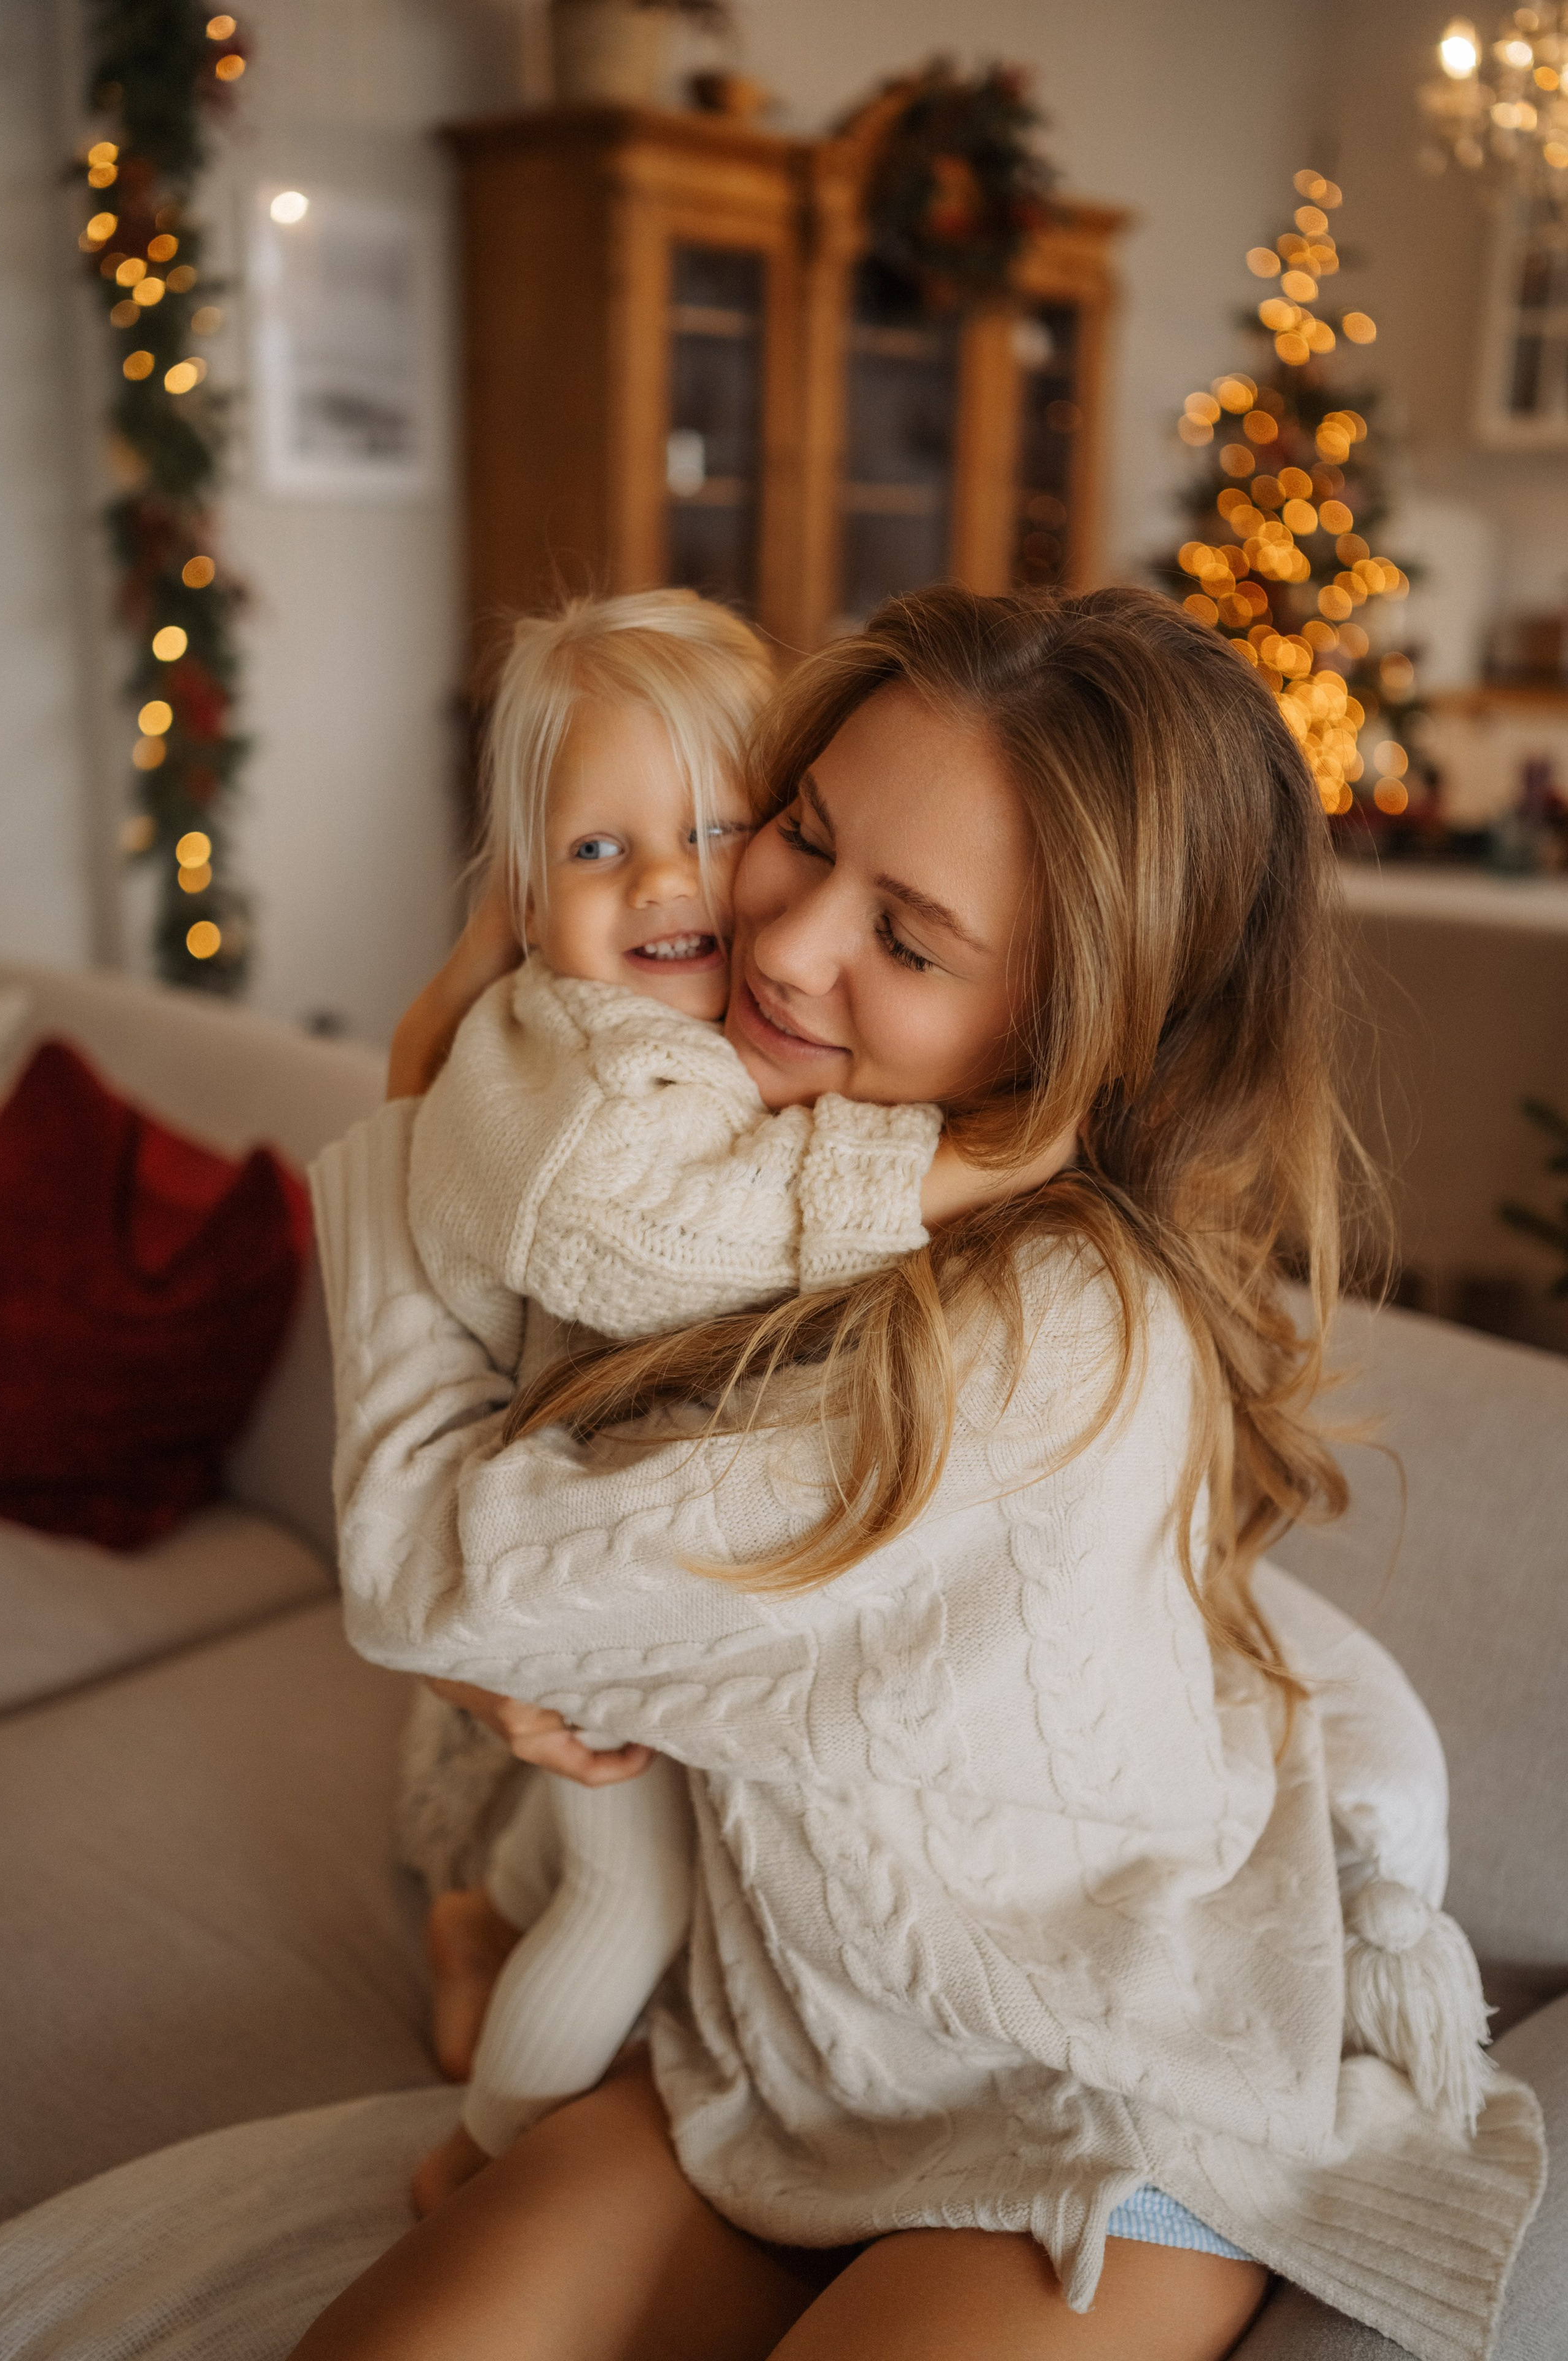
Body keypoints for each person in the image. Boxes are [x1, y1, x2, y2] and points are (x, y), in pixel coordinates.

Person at [300, 587, 1544, 2361]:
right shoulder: (749, 1177)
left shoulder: (1052, 1334)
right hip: (777, 2052)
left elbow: (434, 1570)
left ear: (1076, 1033)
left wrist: (418, 1117)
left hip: (1094, 2097)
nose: (784, 945)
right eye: (795, 833)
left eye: (910, 933)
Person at [401, 586, 1014, 2214]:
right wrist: (978, 1159)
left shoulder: (674, 1030)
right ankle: (479, 2159)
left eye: (722, 825)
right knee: (629, 1906)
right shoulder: (597, 1067)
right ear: (527, 899)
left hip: (600, 1553)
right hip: (583, 1565)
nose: (671, 878)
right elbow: (678, 1229)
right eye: (599, 852)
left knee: (579, 1822)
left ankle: (467, 1916)